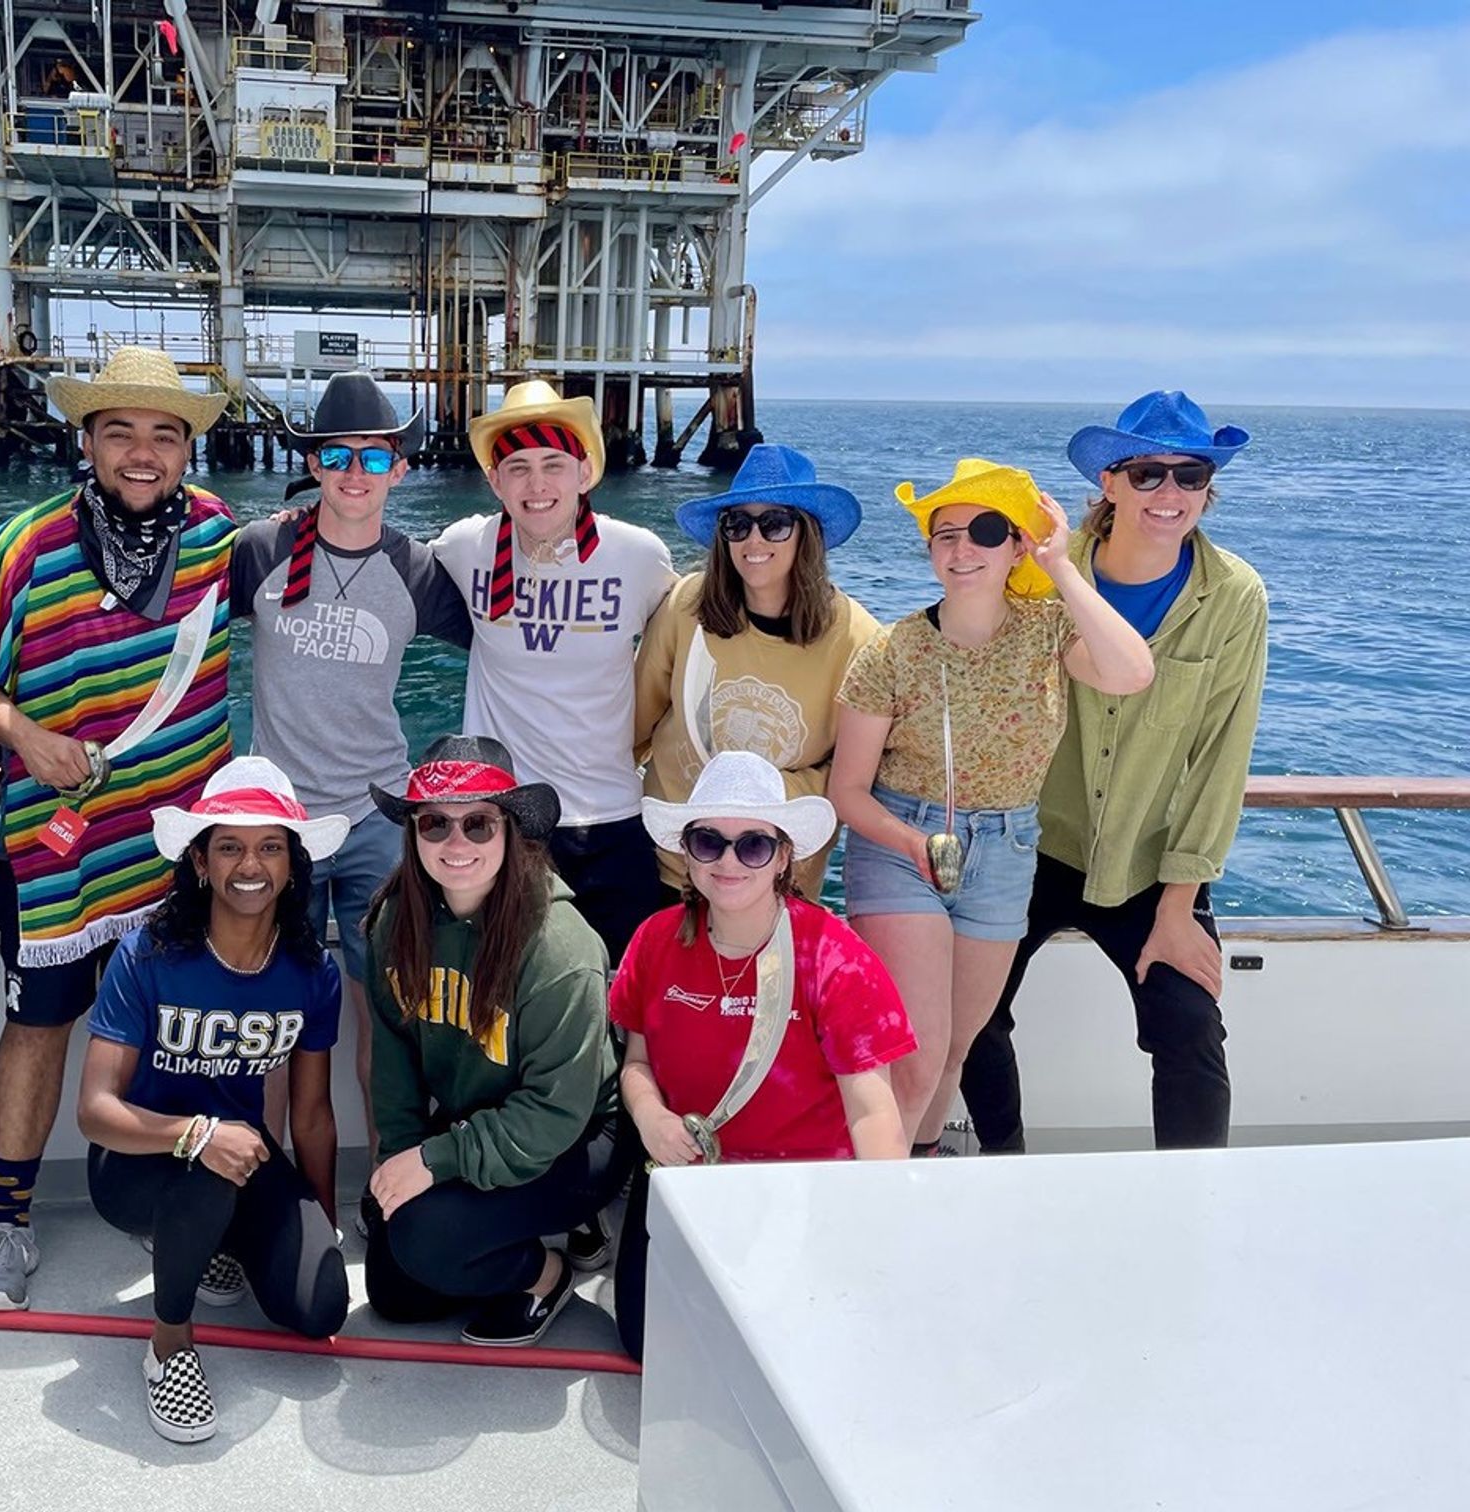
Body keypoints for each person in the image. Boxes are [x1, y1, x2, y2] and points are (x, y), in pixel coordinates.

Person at [0, 346, 236, 1310]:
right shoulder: (25, 544)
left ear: (189, 447)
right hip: (56, 844)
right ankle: (7, 1222)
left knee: (179, 1030)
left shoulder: (219, 536)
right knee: (39, 1025)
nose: (143, 453)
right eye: (121, 432)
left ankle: (182, 1210)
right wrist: (24, 735)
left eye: (164, 435)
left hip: (179, 842)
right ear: (88, 441)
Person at [961, 394, 1268, 1152]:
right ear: (1109, 482)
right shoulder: (1043, 575)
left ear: (1208, 488)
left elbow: (1222, 755)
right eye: (1147, 474)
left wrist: (1179, 904)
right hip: (1030, 845)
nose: (1169, 492)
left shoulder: (1235, 597)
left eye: (1190, 475)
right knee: (970, 1011)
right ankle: (1003, 1165)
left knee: (1190, 1026)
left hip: (1148, 858)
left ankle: (1192, 1198)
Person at [830, 460, 1153, 1154]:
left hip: (1006, 849)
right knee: (918, 1052)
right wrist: (911, 843)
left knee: (956, 1049)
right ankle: (880, 1197)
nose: (962, 548)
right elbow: (847, 791)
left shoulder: (1048, 631)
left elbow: (1132, 672)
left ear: (1016, 546)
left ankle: (913, 1165)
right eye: (945, 535)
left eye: (985, 532)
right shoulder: (891, 652)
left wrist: (1061, 566)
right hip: (902, 844)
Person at [228, 371, 471, 1150]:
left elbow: (510, 648)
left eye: (373, 457)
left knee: (389, 1016)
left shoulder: (419, 570)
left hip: (377, 819)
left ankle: (392, 1182)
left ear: (400, 468)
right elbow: (175, 629)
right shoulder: (262, 548)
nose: (354, 473)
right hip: (279, 824)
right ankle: (261, 1187)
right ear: (314, 464)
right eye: (337, 456)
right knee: (268, 1020)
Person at [79, 758, 351, 1443]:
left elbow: (312, 1114)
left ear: (292, 866)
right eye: (230, 846)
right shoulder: (146, 955)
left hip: (239, 1155)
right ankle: (168, 1345)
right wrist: (196, 1134)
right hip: (134, 1161)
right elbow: (95, 1110)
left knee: (320, 1307)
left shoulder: (312, 971)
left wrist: (323, 1221)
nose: (250, 865)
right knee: (208, 1164)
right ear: (200, 862)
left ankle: (214, 1239)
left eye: (270, 847)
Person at [609, 752, 916, 1360]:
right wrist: (651, 1119)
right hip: (690, 1179)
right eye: (709, 842)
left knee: (793, 1346)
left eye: (753, 845)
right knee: (649, 1343)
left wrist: (882, 1231)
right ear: (687, 852)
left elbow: (872, 1109)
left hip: (801, 1191)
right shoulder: (653, 940)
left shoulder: (835, 957)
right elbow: (637, 1064)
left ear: (782, 858)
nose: (728, 862)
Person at [362, 735, 632, 1347]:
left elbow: (555, 1112)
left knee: (427, 1241)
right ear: (414, 834)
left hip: (577, 1137)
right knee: (395, 1290)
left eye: (478, 824)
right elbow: (395, 1064)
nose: (456, 844)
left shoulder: (559, 947)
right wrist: (399, 1161)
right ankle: (507, 1228)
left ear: (511, 831)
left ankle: (546, 1273)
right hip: (477, 1118)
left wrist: (435, 1162)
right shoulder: (395, 924)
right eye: (435, 823)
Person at [431, 380, 676, 964]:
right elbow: (379, 555)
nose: (536, 485)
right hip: (506, 820)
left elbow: (687, 636)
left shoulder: (638, 556)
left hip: (613, 817)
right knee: (502, 990)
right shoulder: (466, 547)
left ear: (585, 472)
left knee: (618, 991)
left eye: (553, 465)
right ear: (495, 481)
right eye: (517, 468)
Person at [634, 443, 880, 902]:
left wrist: (763, 792)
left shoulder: (858, 638)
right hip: (672, 865)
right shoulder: (686, 606)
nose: (754, 540)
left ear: (807, 533)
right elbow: (635, 722)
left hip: (781, 879)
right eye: (737, 524)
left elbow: (857, 777)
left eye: (775, 524)